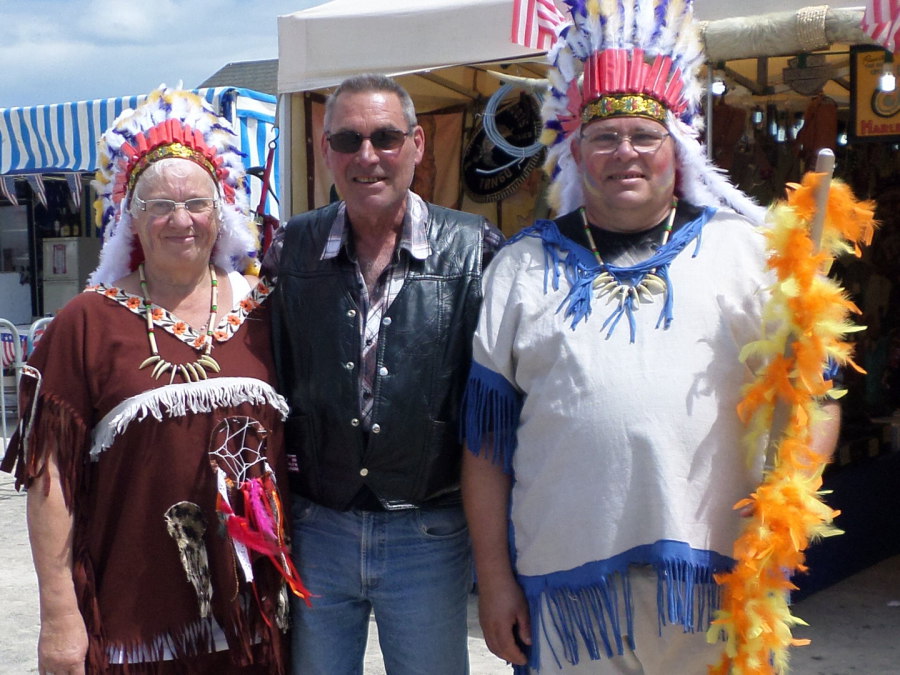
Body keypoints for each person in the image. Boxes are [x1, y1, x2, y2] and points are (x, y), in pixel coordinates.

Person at [460, 2, 841, 673]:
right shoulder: (519, 267)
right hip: (568, 599)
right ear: (576, 151)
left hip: (718, 588)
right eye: (605, 136)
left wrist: (785, 518)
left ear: (678, 148)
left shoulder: (750, 254)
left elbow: (817, 399)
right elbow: (486, 450)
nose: (625, 153)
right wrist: (493, 580)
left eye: (644, 135)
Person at [1, 87, 306, 674]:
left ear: (222, 210)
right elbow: (50, 479)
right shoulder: (86, 323)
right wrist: (59, 615)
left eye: (196, 203)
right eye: (159, 204)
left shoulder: (269, 309)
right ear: (130, 215)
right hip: (138, 627)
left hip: (258, 624)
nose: (180, 220)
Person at [266, 73, 503, 674]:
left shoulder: (474, 248)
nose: (367, 156)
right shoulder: (291, 249)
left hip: (429, 533)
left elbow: (502, 399)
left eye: (385, 138)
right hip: (318, 528)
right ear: (326, 151)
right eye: (348, 140)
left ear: (417, 145)